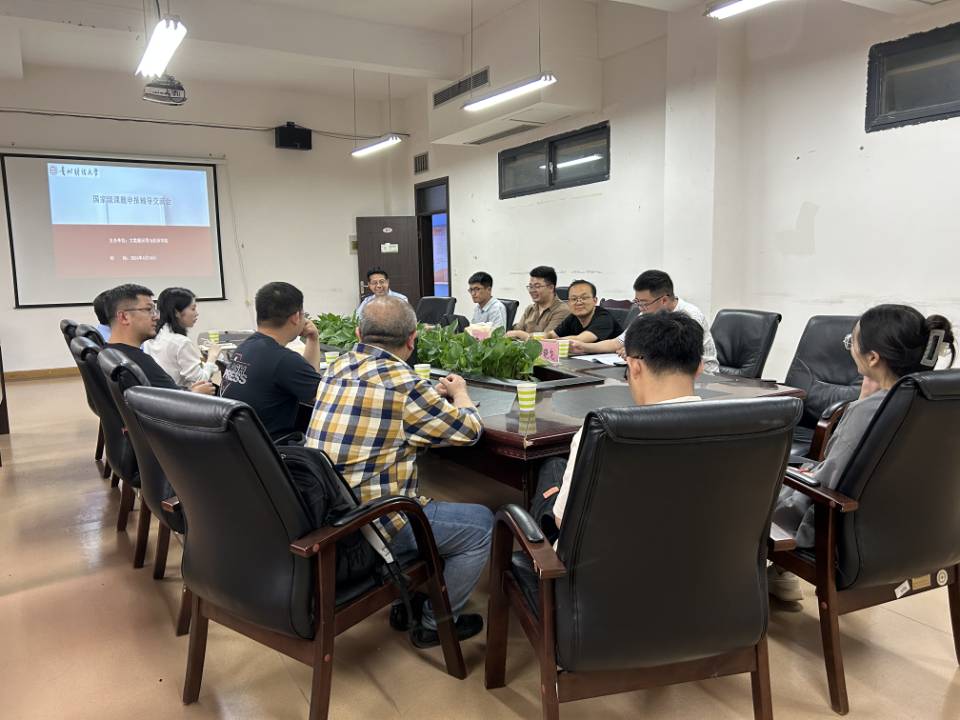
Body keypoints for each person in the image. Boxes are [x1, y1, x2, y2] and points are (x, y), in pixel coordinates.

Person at [306, 295, 491, 649]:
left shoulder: (336, 367)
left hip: (326, 517)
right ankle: (436, 624)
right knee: (481, 525)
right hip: (371, 527)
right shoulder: (406, 385)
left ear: (358, 334)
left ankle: (405, 602)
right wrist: (460, 394)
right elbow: (470, 431)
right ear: (412, 339)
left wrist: (428, 398)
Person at [769, 303, 956, 602]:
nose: (850, 348)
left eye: (852, 342)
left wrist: (797, 476)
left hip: (845, 537)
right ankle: (779, 577)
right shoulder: (941, 406)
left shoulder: (867, 413)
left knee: (748, 492)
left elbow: (828, 484)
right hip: (926, 536)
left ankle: (749, 585)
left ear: (872, 358)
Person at [531, 311, 704, 539]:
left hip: (604, 559)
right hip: (704, 554)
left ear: (634, 366)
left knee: (552, 469)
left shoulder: (602, 432)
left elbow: (565, 521)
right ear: (700, 367)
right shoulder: (738, 425)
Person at [221, 282, 322, 440]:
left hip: (240, 445)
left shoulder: (244, 348)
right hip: (274, 448)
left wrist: (312, 339)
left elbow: (306, 380)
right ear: (296, 317)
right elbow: (323, 398)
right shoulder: (284, 360)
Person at [569, 269, 719, 373]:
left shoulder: (689, 316)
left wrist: (639, 351)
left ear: (664, 300)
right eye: (637, 302)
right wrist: (583, 347)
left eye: (644, 303)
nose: (640, 308)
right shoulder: (646, 313)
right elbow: (618, 342)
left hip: (703, 378)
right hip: (662, 372)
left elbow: (679, 357)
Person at [103, 284, 214, 394]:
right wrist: (196, 393)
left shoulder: (106, 354)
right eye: (148, 310)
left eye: (155, 311)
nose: (156, 317)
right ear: (124, 317)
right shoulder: (139, 362)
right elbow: (175, 401)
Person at [143, 287, 222, 389]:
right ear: (176, 312)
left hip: (160, 393)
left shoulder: (153, 336)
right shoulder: (181, 342)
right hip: (180, 395)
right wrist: (212, 357)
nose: (196, 313)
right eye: (193, 309)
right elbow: (201, 380)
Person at [546, 279, 622, 342]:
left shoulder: (604, 318)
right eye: (574, 299)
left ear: (595, 300)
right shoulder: (573, 317)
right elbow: (552, 335)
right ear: (568, 303)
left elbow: (580, 339)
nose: (579, 302)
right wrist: (542, 337)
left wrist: (549, 341)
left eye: (584, 298)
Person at [506, 265, 570, 340]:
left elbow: (547, 338)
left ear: (551, 288)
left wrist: (519, 334)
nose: (532, 290)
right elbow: (516, 331)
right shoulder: (530, 309)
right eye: (530, 286)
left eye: (537, 286)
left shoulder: (563, 310)